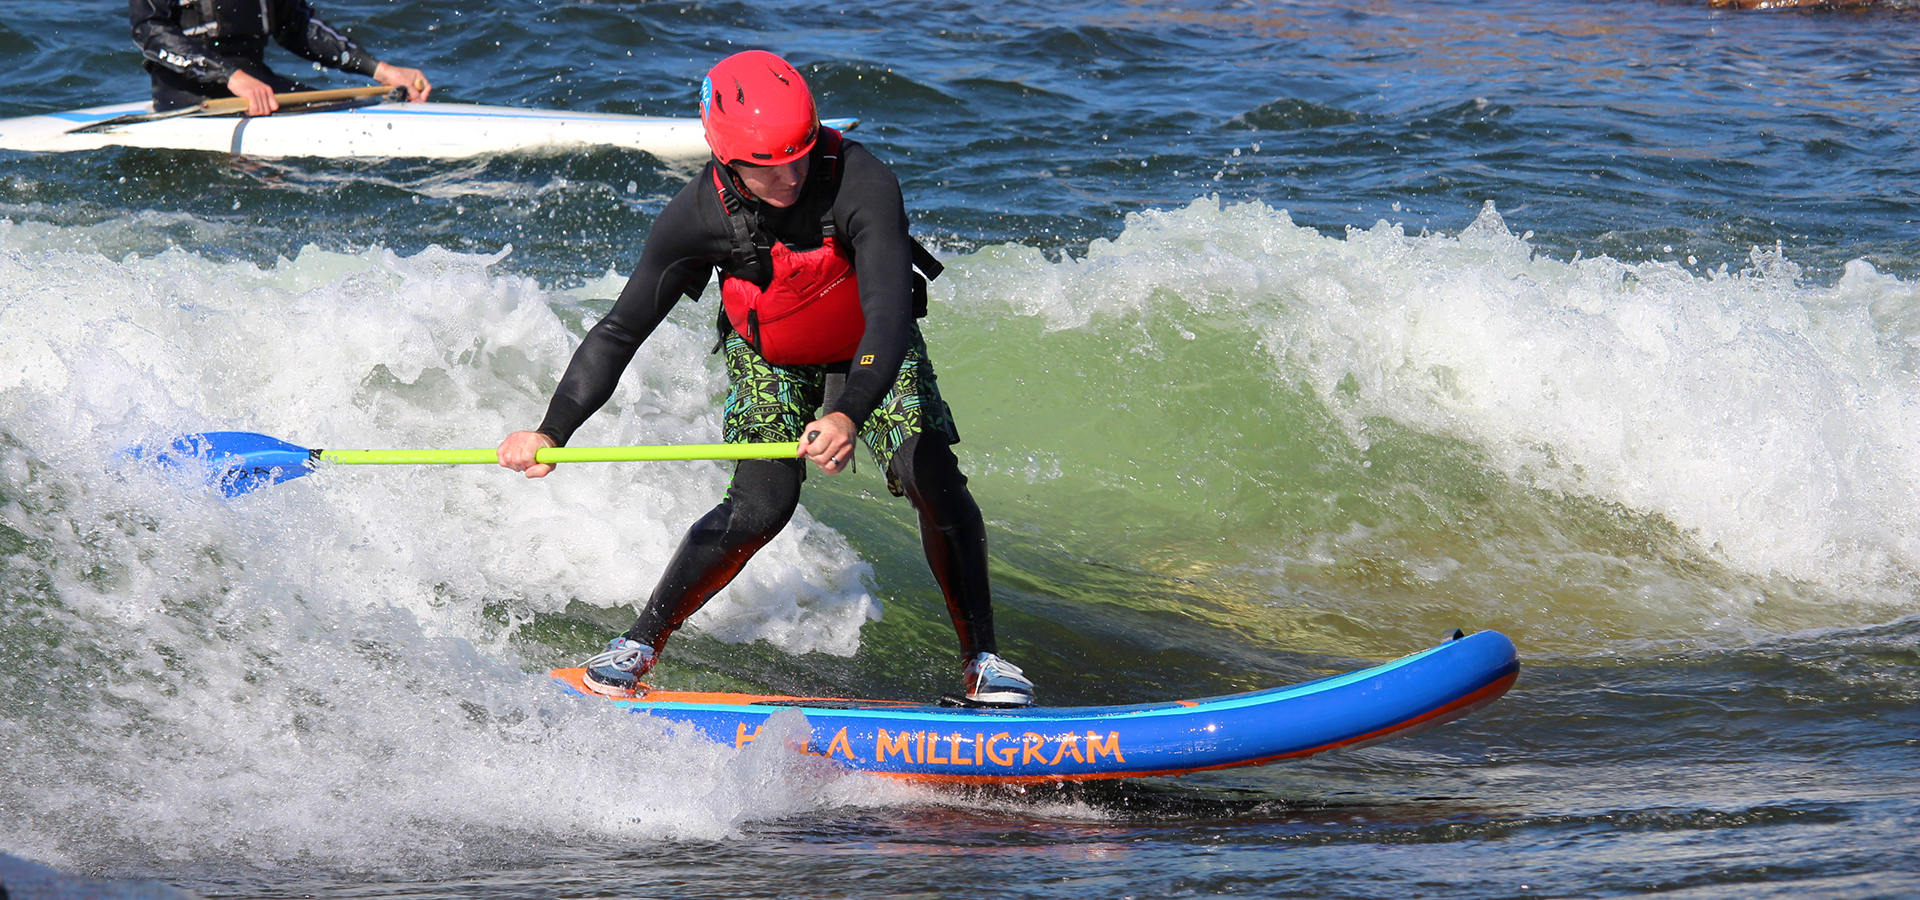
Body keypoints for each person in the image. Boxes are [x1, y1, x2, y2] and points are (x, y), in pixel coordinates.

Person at [497, 50, 1035, 707]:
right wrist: (553, 430)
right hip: (770, 359)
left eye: (799, 156)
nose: (789, 176)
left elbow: (891, 317)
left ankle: (983, 660)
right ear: (728, 159)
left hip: (870, 349)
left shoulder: (863, 182)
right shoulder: (697, 215)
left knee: (932, 473)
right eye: (768, 165)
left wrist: (849, 411)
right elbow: (620, 330)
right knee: (761, 504)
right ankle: (637, 646)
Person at [130, 0, 431, 116]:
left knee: (345, 110)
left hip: (261, 90)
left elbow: (296, 27)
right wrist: (231, 77)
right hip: (189, 98)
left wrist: (380, 70)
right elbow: (151, 33)